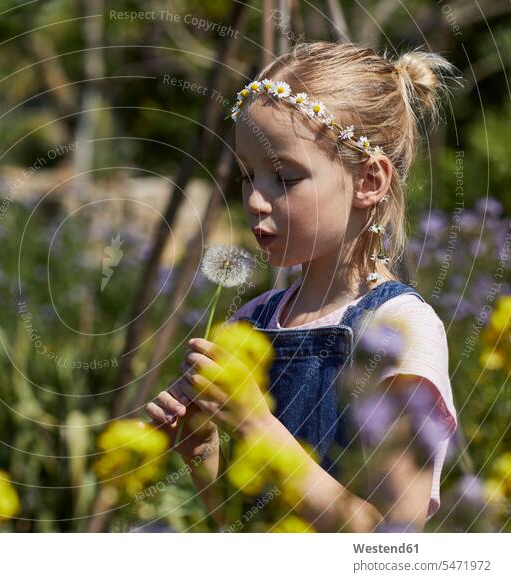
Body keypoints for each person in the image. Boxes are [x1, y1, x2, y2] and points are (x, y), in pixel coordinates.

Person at [145, 41, 460, 532]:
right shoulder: (251, 321)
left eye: (285, 178)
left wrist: (255, 424)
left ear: (369, 182)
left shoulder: (400, 329)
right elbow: (240, 523)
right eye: (250, 176)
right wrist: (201, 450)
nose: (254, 200)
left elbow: (395, 537)